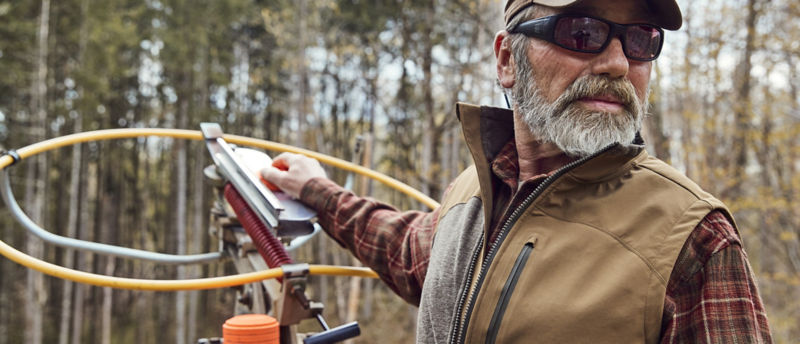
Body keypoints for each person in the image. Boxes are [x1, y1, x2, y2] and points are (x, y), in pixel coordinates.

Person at [262, 0, 773, 342]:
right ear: (508, 58)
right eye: (584, 32)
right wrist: (315, 189)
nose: (619, 63)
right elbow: (413, 254)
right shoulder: (473, 194)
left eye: (641, 40)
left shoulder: (693, 238)